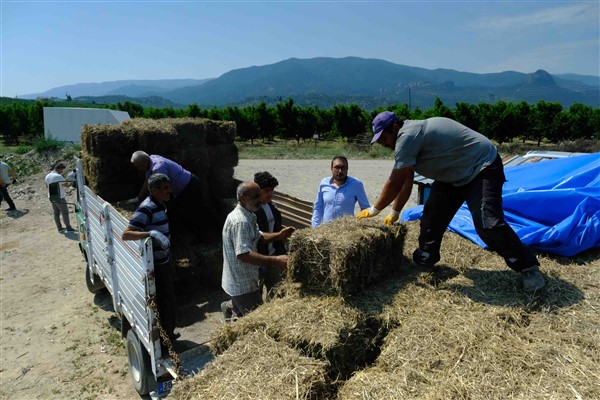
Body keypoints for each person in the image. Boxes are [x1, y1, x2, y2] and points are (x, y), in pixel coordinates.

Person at [357, 111, 545, 293]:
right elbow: (406, 178)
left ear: (395, 127)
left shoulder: (408, 136)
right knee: (432, 218)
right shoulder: (407, 140)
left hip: (481, 167)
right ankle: (425, 259)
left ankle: (528, 268)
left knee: (488, 224)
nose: (383, 143)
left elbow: (395, 180)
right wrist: (395, 212)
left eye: (384, 138)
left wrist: (375, 209)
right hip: (454, 174)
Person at [221, 181, 294, 320]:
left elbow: (257, 236)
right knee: (258, 321)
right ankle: (231, 311)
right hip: (243, 284)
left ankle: (231, 311)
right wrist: (277, 260)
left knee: (242, 317)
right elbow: (243, 254)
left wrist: (279, 235)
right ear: (243, 198)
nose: (260, 200)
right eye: (256, 197)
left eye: (260, 195)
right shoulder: (240, 222)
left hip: (242, 280)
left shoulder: (248, 214)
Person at [122, 173, 179, 344]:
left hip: (164, 259)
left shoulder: (160, 204)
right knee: (166, 300)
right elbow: (126, 234)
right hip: (156, 265)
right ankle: (165, 340)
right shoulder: (146, 208)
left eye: (169, 187)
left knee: (169, 299)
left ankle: (168, 334)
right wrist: (151, 233)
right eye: (165, 188)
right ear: (154, 190)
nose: (170, 191)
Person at [126, 150, 212, 236]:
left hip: (188, 186)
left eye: (139, 166)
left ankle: (204, 236)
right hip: (180, 187)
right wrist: (138, 198)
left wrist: (147, 206)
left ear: (145, 162)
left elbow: (159, 191)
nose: (138, 169)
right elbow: (147, 181)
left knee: (193, 211)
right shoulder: (150, 160)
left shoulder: (158, 168)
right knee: (182, 211)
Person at [253, 171, 291, 300]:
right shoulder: (251, 212)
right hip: (257, 261)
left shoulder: (272, 208)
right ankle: (229, 307)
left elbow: (277, 232)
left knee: (277, 294)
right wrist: (279, 235)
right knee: (253, 299)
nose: (270, 194)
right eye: (267, 190)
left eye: (272, 190)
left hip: (273, 258)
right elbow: (256, 238)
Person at [311, 156, 370, 227]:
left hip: (346, 230)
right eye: (337, 167)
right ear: (331, 168)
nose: (340, 171)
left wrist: (360, 226)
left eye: (343, 168)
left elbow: (365, 208)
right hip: (326, 229)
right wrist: (315, 227)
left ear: (347, 169)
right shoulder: (324, 183)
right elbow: (318, 207)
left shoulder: (356, 184)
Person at [44, 162, 75, 232]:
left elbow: (46, 186)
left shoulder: (47, 176)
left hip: (51, 197)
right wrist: (73, 182)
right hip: (59, 197)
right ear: (59, 169)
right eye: (62, 170)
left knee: (56, 213)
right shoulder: (58, 176)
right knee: (65, 212)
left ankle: (59, 228)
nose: (62, 172)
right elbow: (66, 185)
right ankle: (68, 227)